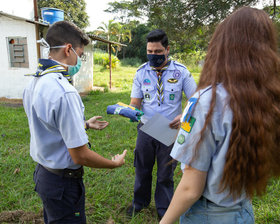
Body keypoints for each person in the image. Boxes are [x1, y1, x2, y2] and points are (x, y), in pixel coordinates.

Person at [160, 6, 280, 224]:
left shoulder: (208, 100)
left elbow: (190, 189)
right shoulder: (270, 98)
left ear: (222, 47)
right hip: (243, 211)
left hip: (208, 215)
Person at [23, 21, 127, 224]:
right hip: (63, 183)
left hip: (44, 174)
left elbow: (49, 126)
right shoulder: (65, 92)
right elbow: (80, 155)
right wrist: (113, 164)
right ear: (69, 49)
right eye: (80, 54)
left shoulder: (35, 81)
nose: (80, 60)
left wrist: (85, 124)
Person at [128, 29, 197, 219]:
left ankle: (164, 209)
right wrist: (131, 110)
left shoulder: (181, 72)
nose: (153, 55)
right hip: (146, 126)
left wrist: (184, 115)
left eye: (158, 52)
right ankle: (139, 204)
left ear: (167, 50)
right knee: (142, 168)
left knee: (165, 173)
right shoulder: (141, 72)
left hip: (170, 129)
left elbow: (195, 99)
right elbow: (135, 102)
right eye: (150, 51)